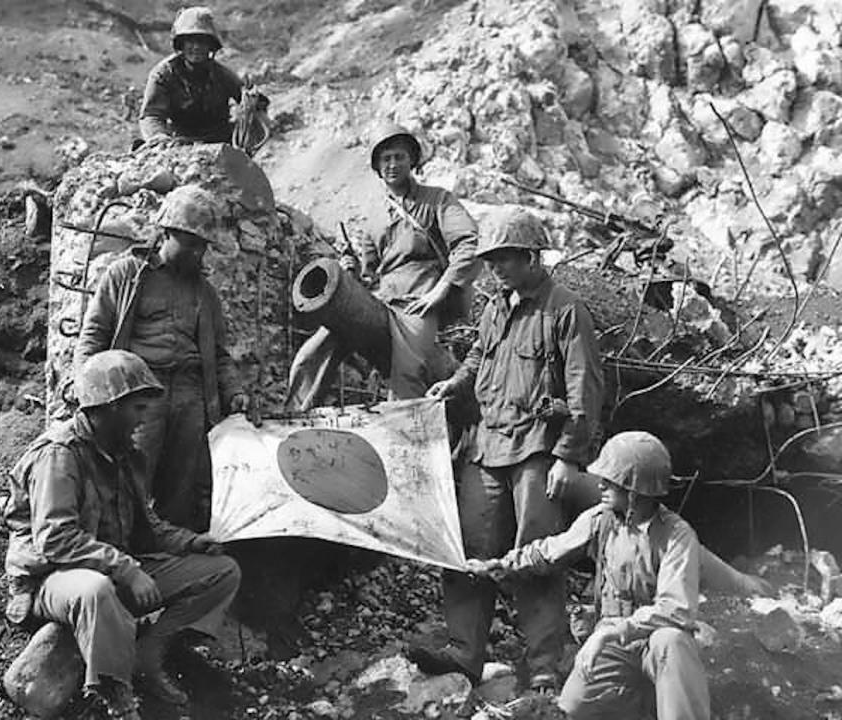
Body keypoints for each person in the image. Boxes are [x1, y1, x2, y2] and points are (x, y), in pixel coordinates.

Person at [412, 209, 604, 690]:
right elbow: (480, 356)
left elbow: (585, 385)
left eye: (505, 259)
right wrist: (454, 385)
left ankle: (542, 662)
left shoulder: (565, 309)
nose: (495, 268)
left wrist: (568, 456)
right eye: (490, 260)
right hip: (487, 445)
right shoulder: (495, 307)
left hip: (537, 451)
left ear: (531, 256)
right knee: (470, 549)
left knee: (537, 555)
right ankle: (463, 652)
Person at [4, 350, 241, 718]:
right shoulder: (59, 455)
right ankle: (116, 694)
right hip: (53, 579)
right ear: (109, 407)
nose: (142, 419)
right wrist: (126, 569)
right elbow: (55, 538)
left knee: (221, 571)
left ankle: (150, 655)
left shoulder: (124, 455)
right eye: (137, 408)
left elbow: (148, 529)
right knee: (94, 590)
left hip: (111, 572)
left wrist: (191, 543)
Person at [466, 431, 711, 720]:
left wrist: (610, 632)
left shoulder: (677, 536)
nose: (601, 485)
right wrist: (501, 565)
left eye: (610, 480)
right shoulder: (600, 519)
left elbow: (676, 611)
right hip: (614, 643)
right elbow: (550, 551)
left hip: (652, 640)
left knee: (671, 641)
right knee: (571, 709)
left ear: (633, 490)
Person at [74, 184, 248, 532]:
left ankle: (172, 552)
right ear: (167, 232)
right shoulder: (126, 275)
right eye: (192, 242)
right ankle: (125, 546)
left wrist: (234, 392)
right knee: (131, 474)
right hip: (138, 392)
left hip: (189, 393)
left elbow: (219, 355)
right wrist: (85, 388)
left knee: (183, 480)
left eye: (203, 245)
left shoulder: (205, 293)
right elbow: (94, 334)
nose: (199, 252)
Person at [286, 122, 479, 409]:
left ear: (411, 160)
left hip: (418, 302)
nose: (392, 164)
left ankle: (409, 442)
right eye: (385, 158)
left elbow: (468, 242)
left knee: (408, 370)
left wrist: (440, 290)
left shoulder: (437, 200)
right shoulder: (373, 216)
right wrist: (349, 269)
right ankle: (295, 415)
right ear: (377, 166)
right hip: (382, 300)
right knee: (311, 355)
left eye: (399, 156)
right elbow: (369, 273)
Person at [139, 6, 268, 144]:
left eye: (202, 41)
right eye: (190, 40)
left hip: (220, 141)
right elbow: (151, 115)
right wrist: (159, 137)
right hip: (179, 142)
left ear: (210, 46)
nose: (196, 47)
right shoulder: (163, 75)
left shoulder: (222, 75)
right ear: (181, 44)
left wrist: (252, 104)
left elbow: (254, 102)